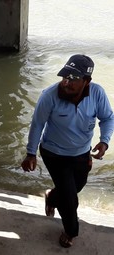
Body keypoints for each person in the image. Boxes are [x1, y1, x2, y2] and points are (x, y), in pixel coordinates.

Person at [21, 54, 114, 248]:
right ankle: (70, 231)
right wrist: (31, 153)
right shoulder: (49, 95)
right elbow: (37, 124)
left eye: (73, 79)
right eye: (65, 77)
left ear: (87, 82)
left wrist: (104, 141)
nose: (66, 82)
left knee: (75, 188)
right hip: (54, 153)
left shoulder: (97, 94)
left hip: (81, 153)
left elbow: (107, 118)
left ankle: (51, 197)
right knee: (70, 197)